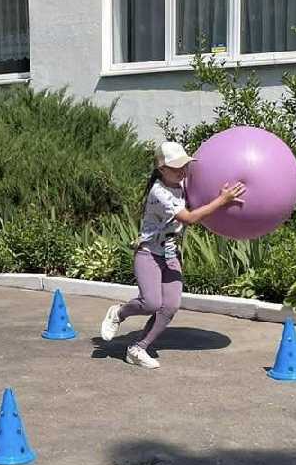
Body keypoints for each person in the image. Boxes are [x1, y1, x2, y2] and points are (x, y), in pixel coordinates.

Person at [101, 142, 245, 369]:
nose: (182, 171)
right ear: (161, 169)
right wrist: (222, 200)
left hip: (170, 255)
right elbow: (189, 218)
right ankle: (119, 312)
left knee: (170, 306)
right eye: (176, 167)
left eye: (185, 166)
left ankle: (137, 348)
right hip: (149, 253)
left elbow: (206, 186)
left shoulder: (184, 184)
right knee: (151, 303)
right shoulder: (159, 192)